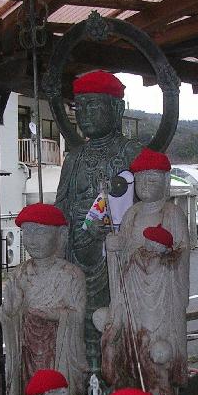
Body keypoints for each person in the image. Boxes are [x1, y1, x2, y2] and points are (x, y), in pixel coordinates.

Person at [55, 70, 142, 375]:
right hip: (79, 255)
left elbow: (147, 208)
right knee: (80, 328)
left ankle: (116, 385)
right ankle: (88, 385)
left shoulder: (132, 153)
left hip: (117, 258)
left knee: (116, 329)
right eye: (80, 107)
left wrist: (115, 228)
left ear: (117, 108)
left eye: (94, 105)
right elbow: (62, 207)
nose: (85, 114)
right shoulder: (74, 158)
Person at [98, 148, 189, 395]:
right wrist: (114, 248)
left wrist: (163, 254)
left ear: (165, 181)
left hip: (162, 292)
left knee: (159, 346)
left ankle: (162, 393)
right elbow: (122, 251)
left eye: (153, 178)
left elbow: (182, 252)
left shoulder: (172, 213)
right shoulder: (132, 214)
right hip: (133, 290)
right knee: (134, 340)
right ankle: (133, 389)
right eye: (142, 179)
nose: (147, 184)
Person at [1, 203, 88, 395]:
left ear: (59, 235)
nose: (33, 240)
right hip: (27, 353)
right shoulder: (19, 274)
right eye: (27, 232)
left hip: (59, 353)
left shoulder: (71, 275)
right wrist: (10, 311)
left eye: (40, 232)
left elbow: (78, 317)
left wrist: (56, 315)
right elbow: (9, 315)